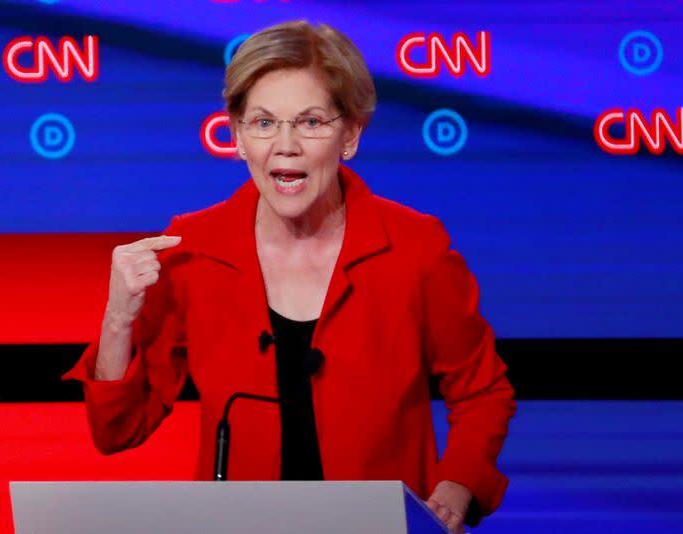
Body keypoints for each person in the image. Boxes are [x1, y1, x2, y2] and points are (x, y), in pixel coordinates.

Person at [64, 20, 515, 533]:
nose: (286, 145)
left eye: (311, 121)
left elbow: (481, 393)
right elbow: (117, 429)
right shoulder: (194, 252)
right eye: (263, 123)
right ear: (236, 137)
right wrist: (119, 316)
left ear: (350, 135)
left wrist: (457, 485)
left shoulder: (416, 248)